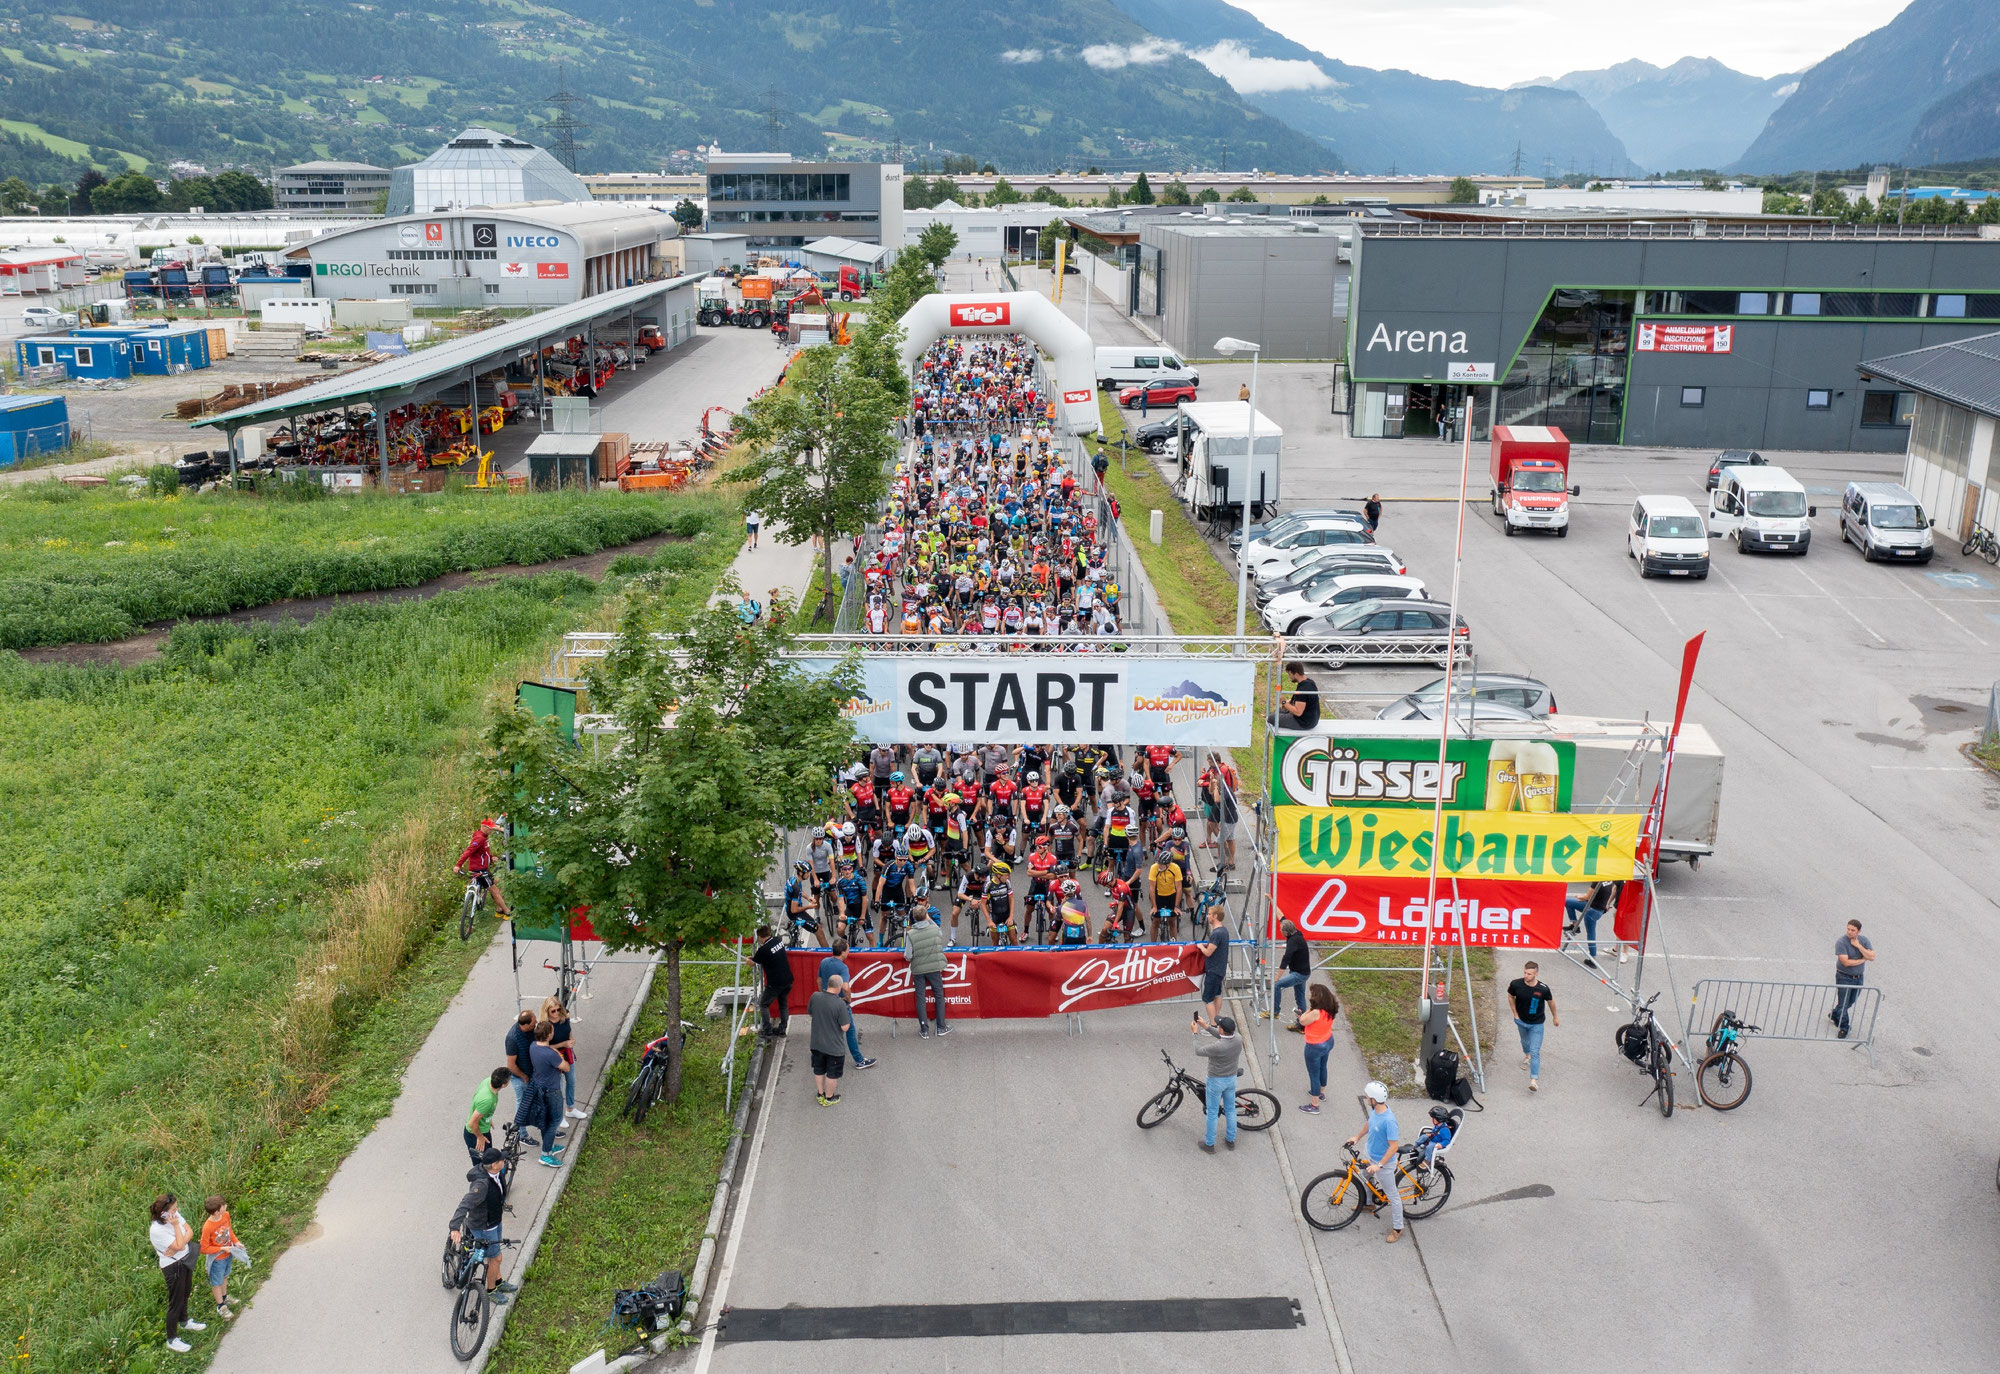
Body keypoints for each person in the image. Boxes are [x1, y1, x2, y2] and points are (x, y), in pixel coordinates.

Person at [448, 1147, 516, 1306]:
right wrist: (454, 1227)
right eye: (501, 1160)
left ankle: (498, 1281)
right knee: (495, 1258)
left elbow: (498, 1191)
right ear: (493, 1165)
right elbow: (465, 1204)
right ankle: (491, 1290)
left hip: (494, 1221)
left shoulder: (496, 1173)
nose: (504, 1161)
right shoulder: (482, 1185)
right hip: (484, 1226)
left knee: (496, 1254)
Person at [1347, 1083, 1403, 1242]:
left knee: (1393, 1196)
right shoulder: (1375, 1111)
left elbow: (1394, 1147)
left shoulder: (1389, 1121)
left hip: (1383, 1163)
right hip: (1369, 1154)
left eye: (1367, 1097)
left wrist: (1379, 1165)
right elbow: (1369, 1123)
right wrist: (1357, 1137)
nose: (1366, 1098)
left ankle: (1398, 1228)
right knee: (1365, 1178)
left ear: (1374, 1099)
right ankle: (1368, 1203)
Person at [150, 1193, 206, 1352]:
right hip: (173, 1266)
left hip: (185, 1259)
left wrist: (181, 1240)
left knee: (185, 1293)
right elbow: (180, 1245)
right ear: (164, 1213)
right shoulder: (156, 1230)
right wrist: (176, 1227)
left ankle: (185, 1321)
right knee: (176, 1302)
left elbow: (190, 1231)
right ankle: (172, 1339)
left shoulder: (174, 1214)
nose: (177, 1211)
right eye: (174, 1209)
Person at [818, 937, 876, 1069]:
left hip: (826, 1000)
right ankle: (859, 1060)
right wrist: (848, 999)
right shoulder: (843, 967)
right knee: (850, 1030)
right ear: (843, 952)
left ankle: (822, 1058)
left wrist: (823, 994)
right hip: (839, 1004)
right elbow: (845, 987)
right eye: (848, 949)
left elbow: (819, 980)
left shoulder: (824, 962)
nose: (849, 951)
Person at [1192, 1014, 1242, 1153]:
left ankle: (1209, 1144)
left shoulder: (1218, 1047)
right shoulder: (1238, 1038)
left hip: (1216, 1080)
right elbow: (1223, 1036)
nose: (1217, 1026)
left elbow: (1198, 1051)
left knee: (1212, 1112)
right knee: (1230, 1109)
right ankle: (1230, 1140)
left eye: (1218, 1025)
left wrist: (1195, 1033)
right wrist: (1206, 1027)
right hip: (1231, 1078)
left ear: (1221, 1030)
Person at [1506, 961, 1558, 1091]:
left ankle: (1533, 1080)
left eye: (1529, 974)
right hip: (1521, 1021)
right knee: (1524, 1042)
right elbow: (1510, 996)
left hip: (1537, 1024)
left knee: (1535, 1051)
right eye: (1524, 972)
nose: (1526, 976)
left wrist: (1555, 1016)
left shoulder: (1543, 989)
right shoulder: (1516, 984)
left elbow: (1551, 1002)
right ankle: (1526, 1055)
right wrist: (1515, 1013)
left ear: (1536, 974)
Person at [904, 903, 951, 1037]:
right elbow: (940, 933)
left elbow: (908, 956)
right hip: (935, 968)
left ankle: (924, 1030)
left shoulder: (910, 934)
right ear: (926, 915)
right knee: (939, 995)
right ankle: (941, 1027)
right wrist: (929, 918)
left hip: (918, 969)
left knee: (920, 998)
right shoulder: (934, 929)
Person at [528, 1021, 569, 1166]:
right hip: (552, 1090)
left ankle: (549, 1146)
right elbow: (566, 1067)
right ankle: (545, 1154)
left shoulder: (533, 1047)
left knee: (545, 1120)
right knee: (555, 1121)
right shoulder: (551, 1054)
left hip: (539, 1088)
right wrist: (559, 1054)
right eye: (552, 1031)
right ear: (549, 1035)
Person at [810, 975, 854, 1105]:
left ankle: (820, 1093)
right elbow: (845, 1027)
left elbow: (811, 1012)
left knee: (819, 1069)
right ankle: (829, 1097)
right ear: (839, 987)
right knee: (832, 1073)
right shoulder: (840, 1004)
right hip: (834, 1047)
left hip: (816, 1043)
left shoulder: (815, 997)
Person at [542, 995, 587, 1123]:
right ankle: (558, 1115)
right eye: (553, 1011)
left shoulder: (564, 1018)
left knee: (571, 1081)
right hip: (553, 1056)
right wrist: (563, 1044)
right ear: (547, 1011)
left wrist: (571, 1041)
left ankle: (570, 1108)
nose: (556, 1013)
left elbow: (569, 1033)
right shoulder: (545, 1025)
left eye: (558, 1009)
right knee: (558, 1087)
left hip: (567, 1053)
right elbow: (544, 1046)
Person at [454, 819, 511, 918]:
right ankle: (506, 911)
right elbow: (469, 851)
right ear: (484, 827)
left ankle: (499, 909)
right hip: (479, 869)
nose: (491, 831)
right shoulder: (480, 838)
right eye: (490, 829)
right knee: (494, 890)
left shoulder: (483, 836)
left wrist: (491, 857)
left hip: (483, 868)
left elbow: (484, 851)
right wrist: (458, 865)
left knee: (496, 882)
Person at [1297, 983, 1339, 1114]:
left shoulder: (1316, 1012)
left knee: (1313, 1074)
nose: (1310, 996)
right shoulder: (1330, 1008)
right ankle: (1321, 1093)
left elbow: (1302, 1021)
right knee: (1323, 1067)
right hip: (1328, 1040)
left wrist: (1307, 1010)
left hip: (1314, 1046)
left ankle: (1314, 1105)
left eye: (1312, 994)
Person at [1832, 918, 1875, 1039]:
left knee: (1850, 1001)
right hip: (1844, 977)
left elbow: (1872, 956)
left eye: (1853, 930)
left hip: (1858, 978)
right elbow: (1846, 962)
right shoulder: (1841, 942)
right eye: (1848, 929)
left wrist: (1858, 946)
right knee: (1844, 1002)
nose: (1849, 932)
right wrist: (1862, 960)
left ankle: (1835, 1013)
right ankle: (1844, 1027)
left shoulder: (1863, 940)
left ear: (1858, 931)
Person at [199, 1196, 239, 1322]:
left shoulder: (225, 1215)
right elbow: (204, 1248)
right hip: (217, 1259)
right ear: (216, 1211)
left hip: (228, 1254)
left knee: (225, 1276)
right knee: (217, 1282)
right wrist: (222, 1249)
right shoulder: (208, 1227)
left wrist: (236, 1242)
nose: (226, 1206)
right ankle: (221, 1306)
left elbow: (229, 1231)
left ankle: (225, 1296)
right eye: (223, 1205)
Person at [504, 1009, 541, 1141]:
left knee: (537, 1100)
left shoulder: (530, 1030)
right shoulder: (513, 1039)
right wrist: (524, 1077)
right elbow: (511, 1065)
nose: (536, 1023)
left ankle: (544, 1126)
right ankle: (521, 1134)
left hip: (532, 1073)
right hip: (520, 1077)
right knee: (523, 1104)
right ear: (525, 1025)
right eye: (533, 1022)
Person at [752, 924, 794, 1038]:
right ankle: (782, 1030)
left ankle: (767, 1031)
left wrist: (748, 960)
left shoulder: (763, 949)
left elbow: (754, 962)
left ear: (760, 937)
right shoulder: (777, 940)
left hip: (775, 983)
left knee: (763, 1004)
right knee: (783, 1005)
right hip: (788, 979)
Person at [1267, 918, 1310, 1026]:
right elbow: (1282, 917)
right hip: (1303, 972)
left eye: (1281, 930)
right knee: (1300, 996)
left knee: (1277, 985)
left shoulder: (1293, 942)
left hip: (1299, 974)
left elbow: (1286, 959)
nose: (1280, 931)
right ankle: (1302, 1023)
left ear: (1286, 932)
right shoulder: (1297, 933)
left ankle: (1275, 1011)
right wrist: (1272, 900)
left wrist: (1277, 977)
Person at [1565, 880, 1619, 965]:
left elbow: (1587, 897)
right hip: (1598, 908)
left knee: (1591, 934)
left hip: (1592, 910)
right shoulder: (1609, 880)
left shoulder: (1597, 882)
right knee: (1568, 902)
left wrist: (1579, 896)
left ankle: (1593, 958)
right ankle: (1574, 924)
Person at [465, 1066, 510, 1165]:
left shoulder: (489, 1081)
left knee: (489, 1160)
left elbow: (479, 1109)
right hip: (476, 1133)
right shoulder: (488, 1100)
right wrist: (480, 1137)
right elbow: (472, 1123)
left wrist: (487, 1117)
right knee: (482, 1165)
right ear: (503, 1085)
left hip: (482, 1128)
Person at [1197, 912, 1231, 1025]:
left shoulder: (1216, 934)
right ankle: (1216, 1019)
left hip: (1213, 969)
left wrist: (1201, 947)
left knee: (1207, 998)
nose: (1207, 916)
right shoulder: (1224, 930)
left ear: (1215, 916)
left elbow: (1208, 952)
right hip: (1220, 968)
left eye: (1210, 914)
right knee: (1217, 994)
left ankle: (1213, 1023)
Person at [1277, 660, 1320, 732]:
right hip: (1313, 719)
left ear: (1296, 674)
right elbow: (1302, 701)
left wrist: (1284, 702)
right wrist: (1288, 703)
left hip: (1303, 723)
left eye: (1290, 674)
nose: (1289, 677)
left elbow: (1298, 712)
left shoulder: (1302, 690)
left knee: (1271, 718)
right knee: (1279, 711)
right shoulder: (1310, 682)